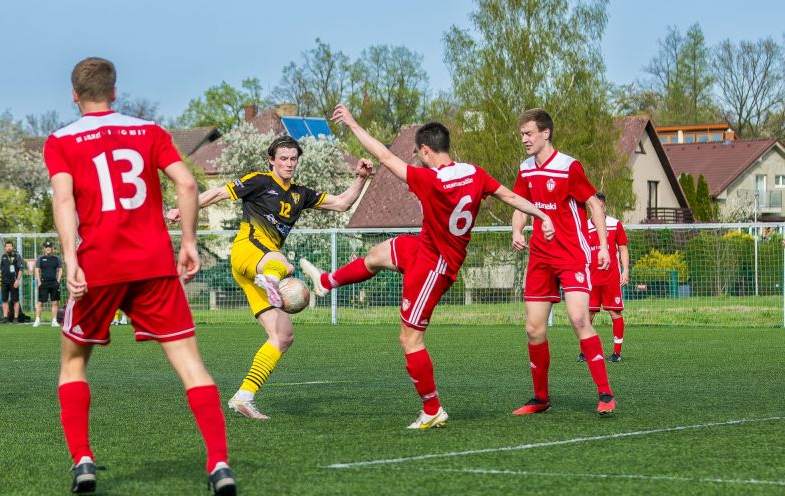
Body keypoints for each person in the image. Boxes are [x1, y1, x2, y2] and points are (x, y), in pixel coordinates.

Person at [44, 57, 236, 496]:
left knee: (73, 364)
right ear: (116, 91)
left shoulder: (59, 141)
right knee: (191, 366)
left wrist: (71, 257)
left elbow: (63, 199)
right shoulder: (148, 131)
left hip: (99, 265)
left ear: (74, 95)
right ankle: (219, 464)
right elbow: (187, 185)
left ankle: (83, 460)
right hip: (152, 263)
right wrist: (188, 242)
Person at [299, 104, 555, 430]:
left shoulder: (430, 179)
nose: (416, 160)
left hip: (436, 265)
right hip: (424, 246)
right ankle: (327, 282)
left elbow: (384, 155)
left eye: (418, 154)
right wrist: (543, 215)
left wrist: (351, 123)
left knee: (410, 339)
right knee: (378, 253)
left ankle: (432, 409)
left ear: (425, 150)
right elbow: (510, 196)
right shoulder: (475, 173)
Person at [167, 135, 373, 420]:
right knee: (284, 266)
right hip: (247, 252)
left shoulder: (301, 194)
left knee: (283, 336)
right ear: (272, 161)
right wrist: (183, 208)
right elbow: (216, 194)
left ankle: (244, 396)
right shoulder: (259, 181)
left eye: (293, 159)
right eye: (283, 159)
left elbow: (341, 204)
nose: (289, 164)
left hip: (260, 268)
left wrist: (361, 178)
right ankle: (272, 280)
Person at [511, 108, 616, 416]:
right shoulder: (526, 168)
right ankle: (540, 398)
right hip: (540, 257)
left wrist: (604, 247)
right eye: (522, 135)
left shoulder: (569, 166)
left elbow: (593, 204)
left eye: (529, 133)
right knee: (533, 329)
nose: (525, 139)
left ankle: (606, 393)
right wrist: (517, 229)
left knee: (579, 319)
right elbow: (518, 203)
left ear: (546, 133)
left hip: (571, 254)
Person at [577, 192, 629, 363]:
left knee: (615, 313)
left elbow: (622, 249)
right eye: (594, 206)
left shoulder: (615, 225)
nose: (597, 209)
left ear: (605, 207)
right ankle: (585, 352)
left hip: (611, 278)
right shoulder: (584, 227)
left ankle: (616, 353)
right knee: (588, 316)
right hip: (591, 279)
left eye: (600, 206)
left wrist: (625, 270)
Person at [34, 240, 62, 327]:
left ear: (52, 249)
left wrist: (58, 281)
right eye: (46, 247)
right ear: (44, 249)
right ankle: (37, 320)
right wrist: (39, 281)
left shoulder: (57, 259)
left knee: (55, 302)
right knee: (40, 302)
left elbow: (60, 269)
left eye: (50, 247)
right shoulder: (40, 258)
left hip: (54, 283)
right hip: (43, 283)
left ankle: (54, 321)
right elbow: (37, 270)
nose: (48, 248)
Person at [0, 241, 24, 323]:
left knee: (15, 300)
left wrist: (17, 280)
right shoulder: (3, 256)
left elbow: (21, 269)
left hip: (13, 281)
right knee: (4, 300)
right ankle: (5, 317)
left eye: (10, 246)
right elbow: (0, 268)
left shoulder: (17, 256)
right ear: (5, 248)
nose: (8, 247)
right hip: (4, 282)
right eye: (7, 246)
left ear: (12, 247)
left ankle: (16, 318)